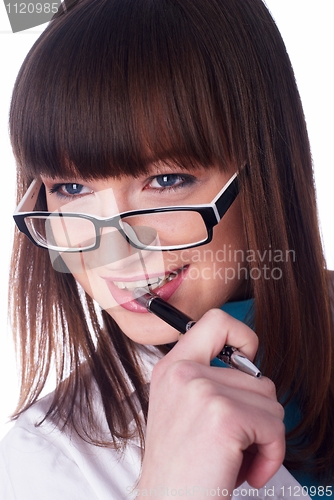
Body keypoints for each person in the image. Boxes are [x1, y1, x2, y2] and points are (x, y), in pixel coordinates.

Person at [1, 0, 333, 498]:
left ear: (268, 170)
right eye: (70, 189)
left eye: (166, 179)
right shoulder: (43, 466)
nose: (112, 251)